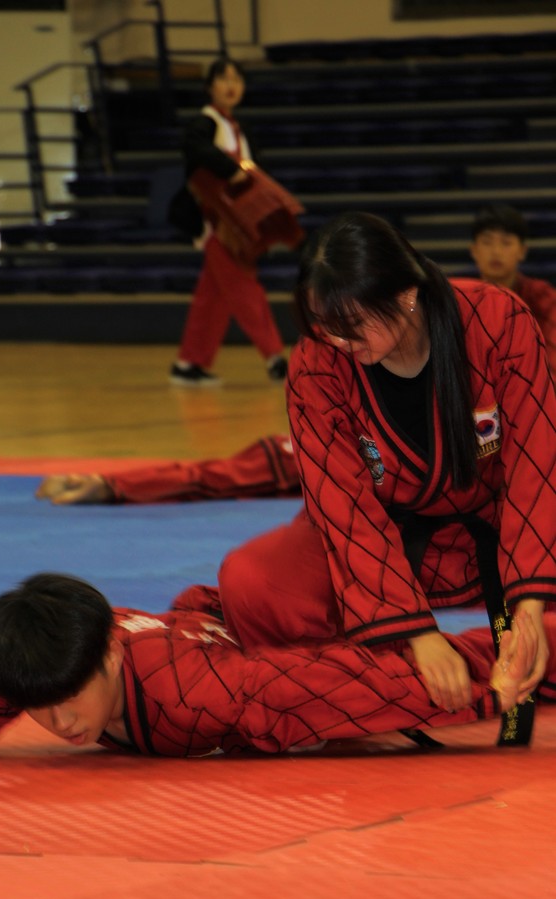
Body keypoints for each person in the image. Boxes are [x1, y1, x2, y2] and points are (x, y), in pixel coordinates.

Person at [217, 211, 556, 720]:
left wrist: (528, 608)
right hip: (385, 539)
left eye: (352, 325)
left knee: (541, 623)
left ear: (405, 294)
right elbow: (341, 509)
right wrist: (417, 633)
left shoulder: (497, 319)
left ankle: (402, 676)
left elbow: (537, 464)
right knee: (252, 583)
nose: (339, 342)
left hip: (502, 524)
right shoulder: (316, 363)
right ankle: (402, 670)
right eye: (324, 325)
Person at [0, 573, 554, 777]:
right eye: (41, 709)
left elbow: (336, 686)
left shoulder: (200, 697)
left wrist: (490, 695)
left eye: (68, 701)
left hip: (273, 633)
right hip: (204, 626)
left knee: (468, 663)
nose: (58, 724)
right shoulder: (38, 659)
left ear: (110, 656)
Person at [169, 58, 288, 387]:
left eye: (237, 79)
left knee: (213, 297)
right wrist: (230, 170)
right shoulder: (204, 123)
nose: (231, 85)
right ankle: (275, 358)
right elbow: (194, 151)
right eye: (223, 78)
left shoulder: (241, 130)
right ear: (209, 87)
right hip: (217, 226)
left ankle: (189, 363)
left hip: (239, 225)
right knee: (244, 288)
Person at [34, 434, 300, 505]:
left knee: (203, 481)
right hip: (297, 455)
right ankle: (105, 485)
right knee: (205, 480)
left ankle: (101, 484)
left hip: (298, 448)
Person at [470, 202, 556, 380]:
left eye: (506, 243)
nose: (496, 251)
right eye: (487, 242)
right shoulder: (461, 299)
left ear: (522, 251)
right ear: (474, 250)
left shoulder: (542, 297)